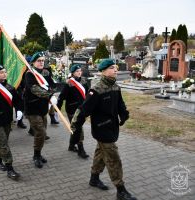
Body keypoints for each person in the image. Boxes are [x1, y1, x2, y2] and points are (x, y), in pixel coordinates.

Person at [70, 59, 137, 200]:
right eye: (112, 68)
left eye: (116, 67)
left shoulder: (115, 87)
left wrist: (124, 114)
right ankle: (121, 190)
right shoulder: (97, 89)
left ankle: (94, 178)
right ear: (104, 71)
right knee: (113, 158)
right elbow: (83, 110)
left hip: (112, 127)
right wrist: (76, 128)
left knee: (100, 154)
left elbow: (120, 104)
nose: (116, 70)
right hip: (101, 129)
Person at [24, 52, 56, 168]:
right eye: (39, 60)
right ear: (33, 62)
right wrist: (49, 95)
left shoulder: (46, 72)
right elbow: (34, 89)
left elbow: (52, 84)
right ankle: (36, 156)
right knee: (40, 132)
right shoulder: (29, 74)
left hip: (43, 107)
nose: (41, 62)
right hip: (32, 108)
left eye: (43, 60)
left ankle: (38, 153)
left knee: (42, 133)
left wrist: (52, 93)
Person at [57, 64, 89, 159]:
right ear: (72, 73)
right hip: (72, 109)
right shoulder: (69, 83)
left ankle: (71, 145)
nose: (79, 73)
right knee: (78, 128)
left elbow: (87, 94)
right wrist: (58, 107)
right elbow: (62, 96)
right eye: (77, 71)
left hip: (81, 108)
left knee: (75, 127)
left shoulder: (84, 81)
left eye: (80, 71)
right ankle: (81, 149)